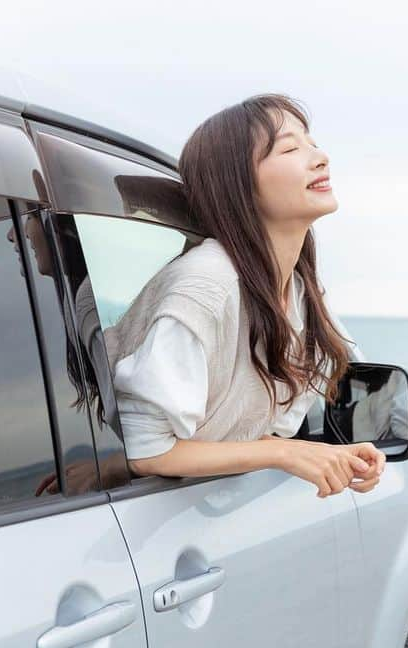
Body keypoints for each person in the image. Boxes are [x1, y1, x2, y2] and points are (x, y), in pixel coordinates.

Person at [101, 93, 384, 499]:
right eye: (289, 148)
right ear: (238, 185)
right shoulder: (207, 286)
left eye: (311, 142)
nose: (320, 157)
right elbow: (146, 449)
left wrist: (320, 453)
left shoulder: (299, 297)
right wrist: (285, 452)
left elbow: (241, 438)